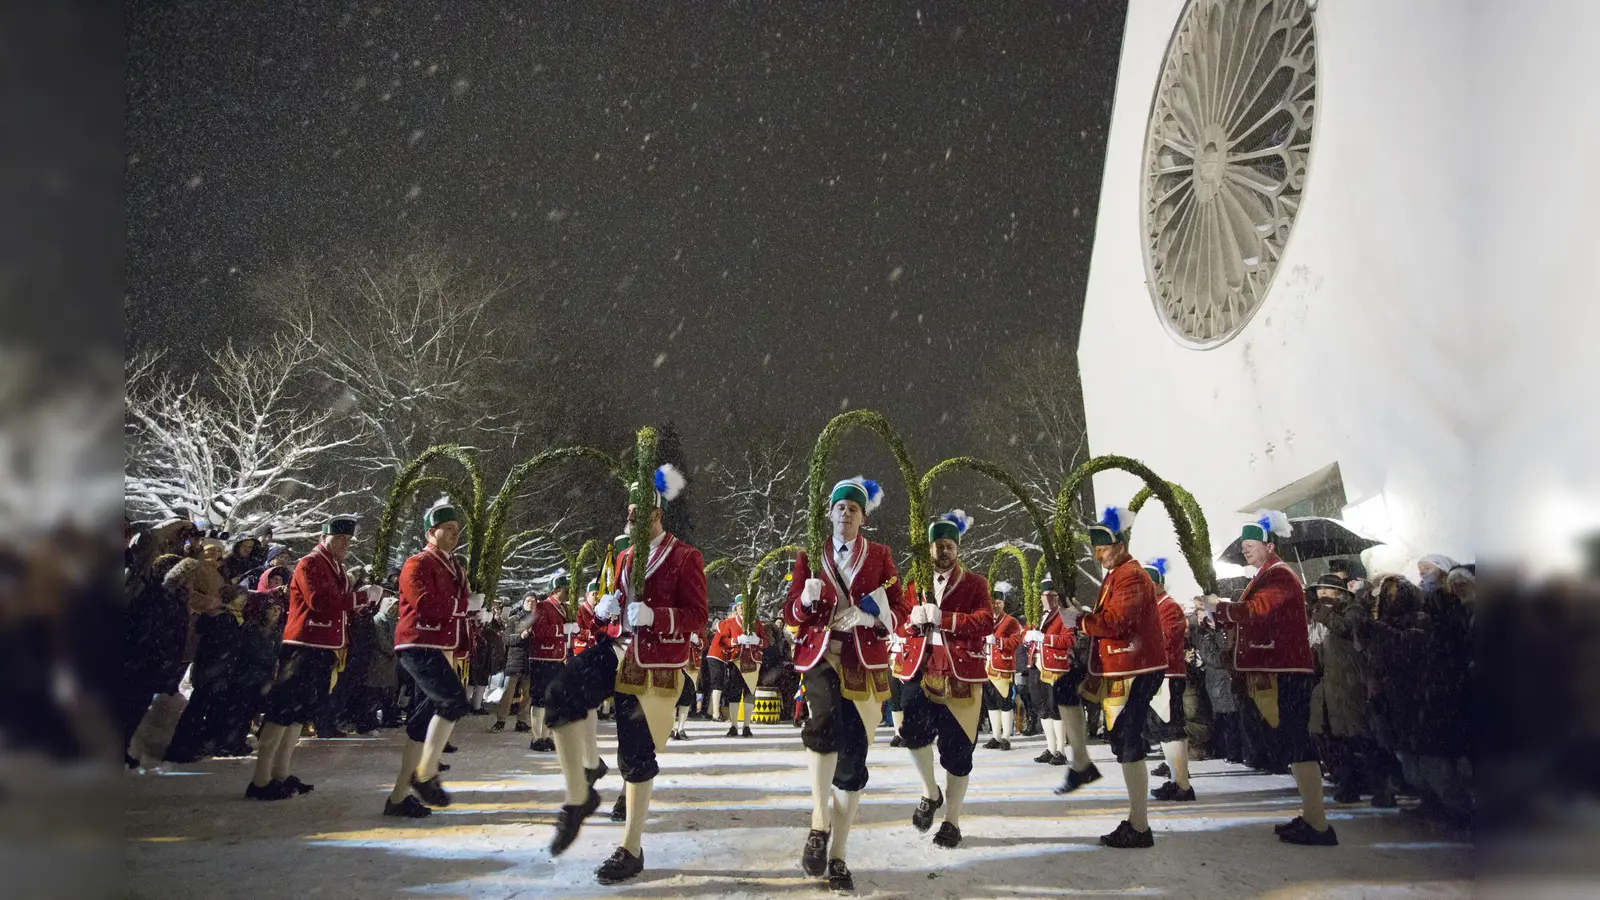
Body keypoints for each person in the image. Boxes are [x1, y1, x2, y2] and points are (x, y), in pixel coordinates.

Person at [545, 466, 707, 885]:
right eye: (629, 509)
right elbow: (621, 603)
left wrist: (658, 615)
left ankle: (632, 847)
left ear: (657, 512)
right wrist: (608, 610)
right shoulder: (625, 556)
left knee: (635, 756)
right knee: (560, 692)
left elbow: (696, 616)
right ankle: (581, 791)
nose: (630, 516)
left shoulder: (686, 556)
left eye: (638, 510)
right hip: (619, 649)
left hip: (654, 665)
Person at [785, 476, 909, 892]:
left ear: (863, 517)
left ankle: (838, 854)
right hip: (820, 655)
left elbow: (901, 606)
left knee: (853, 759)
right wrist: (804, 600)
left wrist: (871, 617)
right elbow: (790, 613)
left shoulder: (881, 556)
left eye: (853, 509)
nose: (846, 514)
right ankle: (818, 825)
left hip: (863, 658)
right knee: (823, 722)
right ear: (830, 514)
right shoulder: (809, 554)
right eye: (840, 507)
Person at [1209, 510, 1335, 845]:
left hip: (1287, 670)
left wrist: (1221, 607)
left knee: (1299, 742)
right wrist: (1219, 612)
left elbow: (1257, 612)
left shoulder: (1278, 576)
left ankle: (1319, 823)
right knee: (1293, 744)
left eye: (1251, 544)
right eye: (1244, 545)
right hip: (1278, 669)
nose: (1246, 550)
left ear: (1269, 543)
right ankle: (1311, 815)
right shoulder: (1265, 575)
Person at [1059, 506, 1166, 850]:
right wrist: (1084, 614)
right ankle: (1082, 763)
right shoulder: (1117, 575)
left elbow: (1118, 623)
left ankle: (1140, 825)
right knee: (1066, 690)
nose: (1098, 553)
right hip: (1124, 664)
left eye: (1103, 547)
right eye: (1096, 548)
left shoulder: (1132, 575)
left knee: (1127, 738)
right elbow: (1111, 617)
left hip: (1137, 666)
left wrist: (1079, 621)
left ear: (1120, 545)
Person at [248, 516, 370, 801]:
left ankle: (281, 771)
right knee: (282, 711)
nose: (344, 544)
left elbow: (335, 607)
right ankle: (260, 778)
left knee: (298, 714)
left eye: (348, 540)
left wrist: (359, 605)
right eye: (339, 538)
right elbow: (319, 602)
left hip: (322, 646)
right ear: (324, 537)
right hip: (303, 645)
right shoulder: (310, 564)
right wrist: (356, 599)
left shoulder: (335, 567)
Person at [893, 510, 994, 850]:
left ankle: (952, 821)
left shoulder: (975, 583)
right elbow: (898, 625)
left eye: (949, 545)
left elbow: (985, 622)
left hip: (960, 671)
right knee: (912, 733)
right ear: (929, 549)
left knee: (957, 750)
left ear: (958, 549)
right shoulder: (913, 584)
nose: (944, 551)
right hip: (920, 670)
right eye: (938, 546)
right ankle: (929, 792)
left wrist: (946, 618)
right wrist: (910, 622)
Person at [382, 499, 481, 819]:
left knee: (422, 721)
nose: (454, 534)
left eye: (456, 530)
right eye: (447, 529)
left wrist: (472, 611)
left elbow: (455, 606)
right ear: (430, 532)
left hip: (439, 645)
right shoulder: (418, 563)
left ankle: (398, 798)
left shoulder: (454, 565)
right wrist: (462, 606)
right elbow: (424, 603)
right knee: (452, 700)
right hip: (418, 643)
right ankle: (424, 775)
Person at [1143, 559, 1195, 802]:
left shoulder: (1168, 607)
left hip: (1169, 674)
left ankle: (1182, 784)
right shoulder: (1153, 607)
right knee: (1163, 728)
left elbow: (1166, 640)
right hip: (1158, 675)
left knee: (1171, 728)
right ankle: (1176, 780)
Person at [1025, 574, 1085, 768]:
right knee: (1042, 707)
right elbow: (1026, 636)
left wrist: (1045, 638)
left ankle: (1061, 749)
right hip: (1036, 665)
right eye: (1045, 595)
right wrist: (1026, 637)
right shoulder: (1036, 614)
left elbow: (1070, 640)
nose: (1048, 599)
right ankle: (1050, 748)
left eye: (1052, 595)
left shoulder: (1065, 615)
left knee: (1055, 709)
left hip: (1056, 667)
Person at [710, 596, 769, 737]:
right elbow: (722, 641)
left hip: (753, 662)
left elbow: (767, 642)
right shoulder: (729, 622)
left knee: (749, 693)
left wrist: (758, 640)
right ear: (736, 607)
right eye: (739, 605)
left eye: (744, 605)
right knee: (734, 694)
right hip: (736, 661)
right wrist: (735, 640)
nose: (742, 608)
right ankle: (734, 725)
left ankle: (747, 726)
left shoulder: (757, 623)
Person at [525, 574, 572, 752]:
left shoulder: (563, 608)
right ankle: (537, 738)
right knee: (539, 699)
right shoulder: (543, 606)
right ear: (556, 590)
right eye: (566, 589)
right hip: (543, 658)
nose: (569, 593)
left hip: (558, 657)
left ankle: (547, 735)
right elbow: (539, 629)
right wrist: (562, 629)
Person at [983, 581, 1025, 751]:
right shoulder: (985, 620)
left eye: (999, 603)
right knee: (991, 703)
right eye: (993, 602)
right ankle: (996, 736)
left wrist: (998, 641)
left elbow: (1015, 641)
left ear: (1003, 604)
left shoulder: (1011, 621)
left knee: (1005, 703)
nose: (995, 605)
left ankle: (1006, 737)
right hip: (986, 667)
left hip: (1002, 667)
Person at [492, 592, 538, 733]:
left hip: (530, 661)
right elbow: (506, 640)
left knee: (527, 694)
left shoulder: (539, 620)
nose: (530, 603)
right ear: (523, 602)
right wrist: (521, 636)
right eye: (528, 601)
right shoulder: (514, 619)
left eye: (533, 601)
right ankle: (501, 720)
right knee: (508, 692)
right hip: (514, 661)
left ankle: (522, 721)